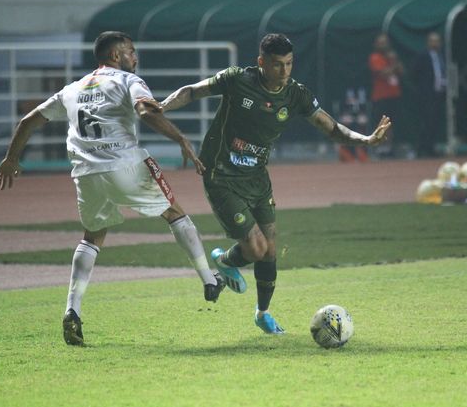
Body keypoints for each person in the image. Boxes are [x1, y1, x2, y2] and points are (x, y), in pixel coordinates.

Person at [0, 31, 225, 346]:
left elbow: (28, 121)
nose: (136, 57)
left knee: (93, 236)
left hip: (86, 174)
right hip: (125, 165)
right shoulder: (129, 81)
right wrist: (181, 139)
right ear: (116, 56)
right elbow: (146, 111)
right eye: (131, 51)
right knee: (173, 212)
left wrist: (11, 158)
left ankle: (72, 310)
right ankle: (210, 280)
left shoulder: (72, 89)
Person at [154, 33, 391, 334]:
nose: (284, 71)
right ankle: (226, 261)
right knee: (255, 248)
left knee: (269, 250)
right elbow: (191, 91)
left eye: (289, 64)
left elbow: (329, 126)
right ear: (261, 62)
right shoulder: (237, 79)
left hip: (257, 177)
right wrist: (161, 108)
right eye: (277, 65)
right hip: (221, 174)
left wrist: (366, 139)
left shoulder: (295, 94)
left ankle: (262, 313)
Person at [368, 33, 405, 158]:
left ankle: (389, 148)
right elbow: (383, 73)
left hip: (394, 94)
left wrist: (394, 61)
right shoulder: (375, 57)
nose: (383, 45)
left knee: (392, 124)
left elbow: (401, 71)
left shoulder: (391, 57)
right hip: (381, 96)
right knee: (381, 124)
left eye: (385, 42)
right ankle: (380, 148)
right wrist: (393, 64)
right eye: (381, 43)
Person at [413, 31, 447, 157]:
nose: (435, 43)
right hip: (426, 95)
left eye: (437, 41)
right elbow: (415, 73)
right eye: (433, 41)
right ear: (428, 42)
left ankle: (431, 147)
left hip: (438, 93)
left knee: (434, 122)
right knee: (425, 122)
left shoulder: (442, 56)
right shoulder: (422, 55)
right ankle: (422, 148)